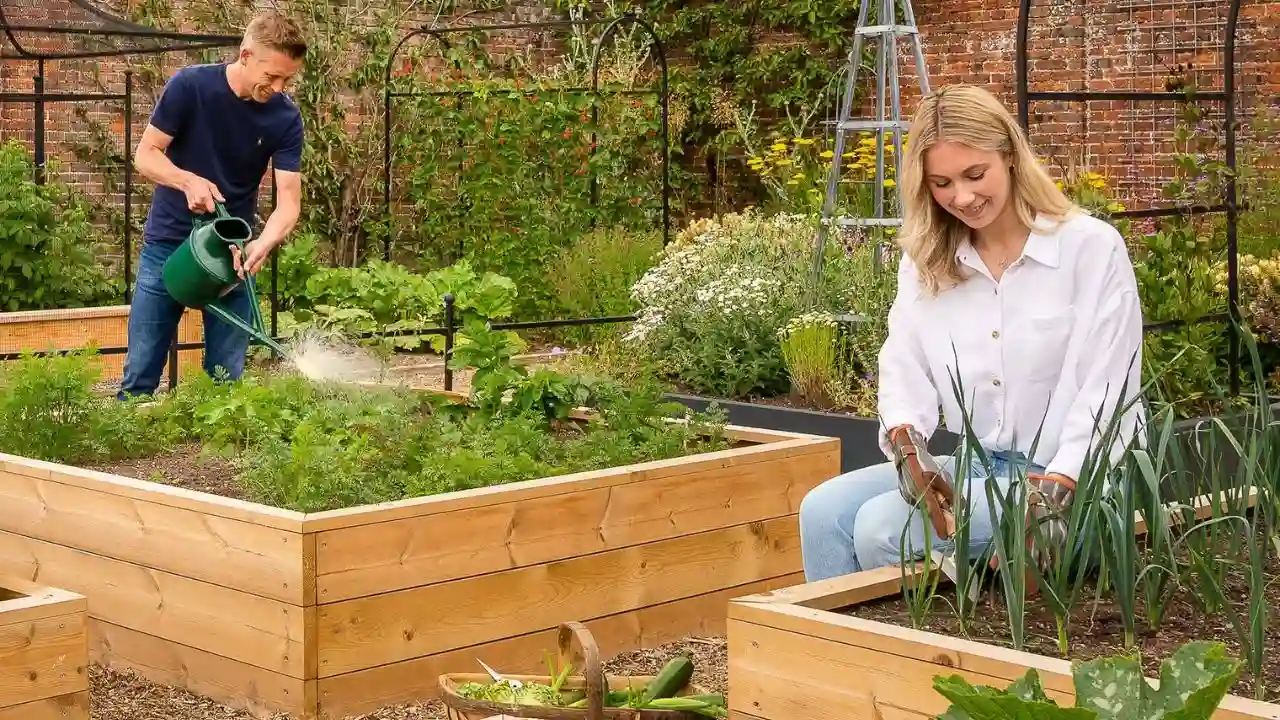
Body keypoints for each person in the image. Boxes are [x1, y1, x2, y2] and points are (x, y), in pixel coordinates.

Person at [798, 84, 1146, 582]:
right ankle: (836, 658)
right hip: (979, 466)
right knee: (821, 510)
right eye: (941, 183)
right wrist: (906, 446)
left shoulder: (1088, 249)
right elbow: (903, 362)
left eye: (974, 174)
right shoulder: (928, 262)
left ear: (1009, 155)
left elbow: (1108, 393)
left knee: (880, 528)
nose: (961, 197)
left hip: (1068, 479)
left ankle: (931, 653)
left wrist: (1057, 492)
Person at [117, 10, 307, 400]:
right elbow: (146, 154)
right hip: (168, 246)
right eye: (271, 76)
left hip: (232, 255)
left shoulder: (285, 118)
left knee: (225, 386)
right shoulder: (191, 87)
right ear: (245, 55)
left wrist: (263, 244)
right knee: (139, 378)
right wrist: (187, 180)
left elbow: (288, 203)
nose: (278, 86)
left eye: (287, 79)